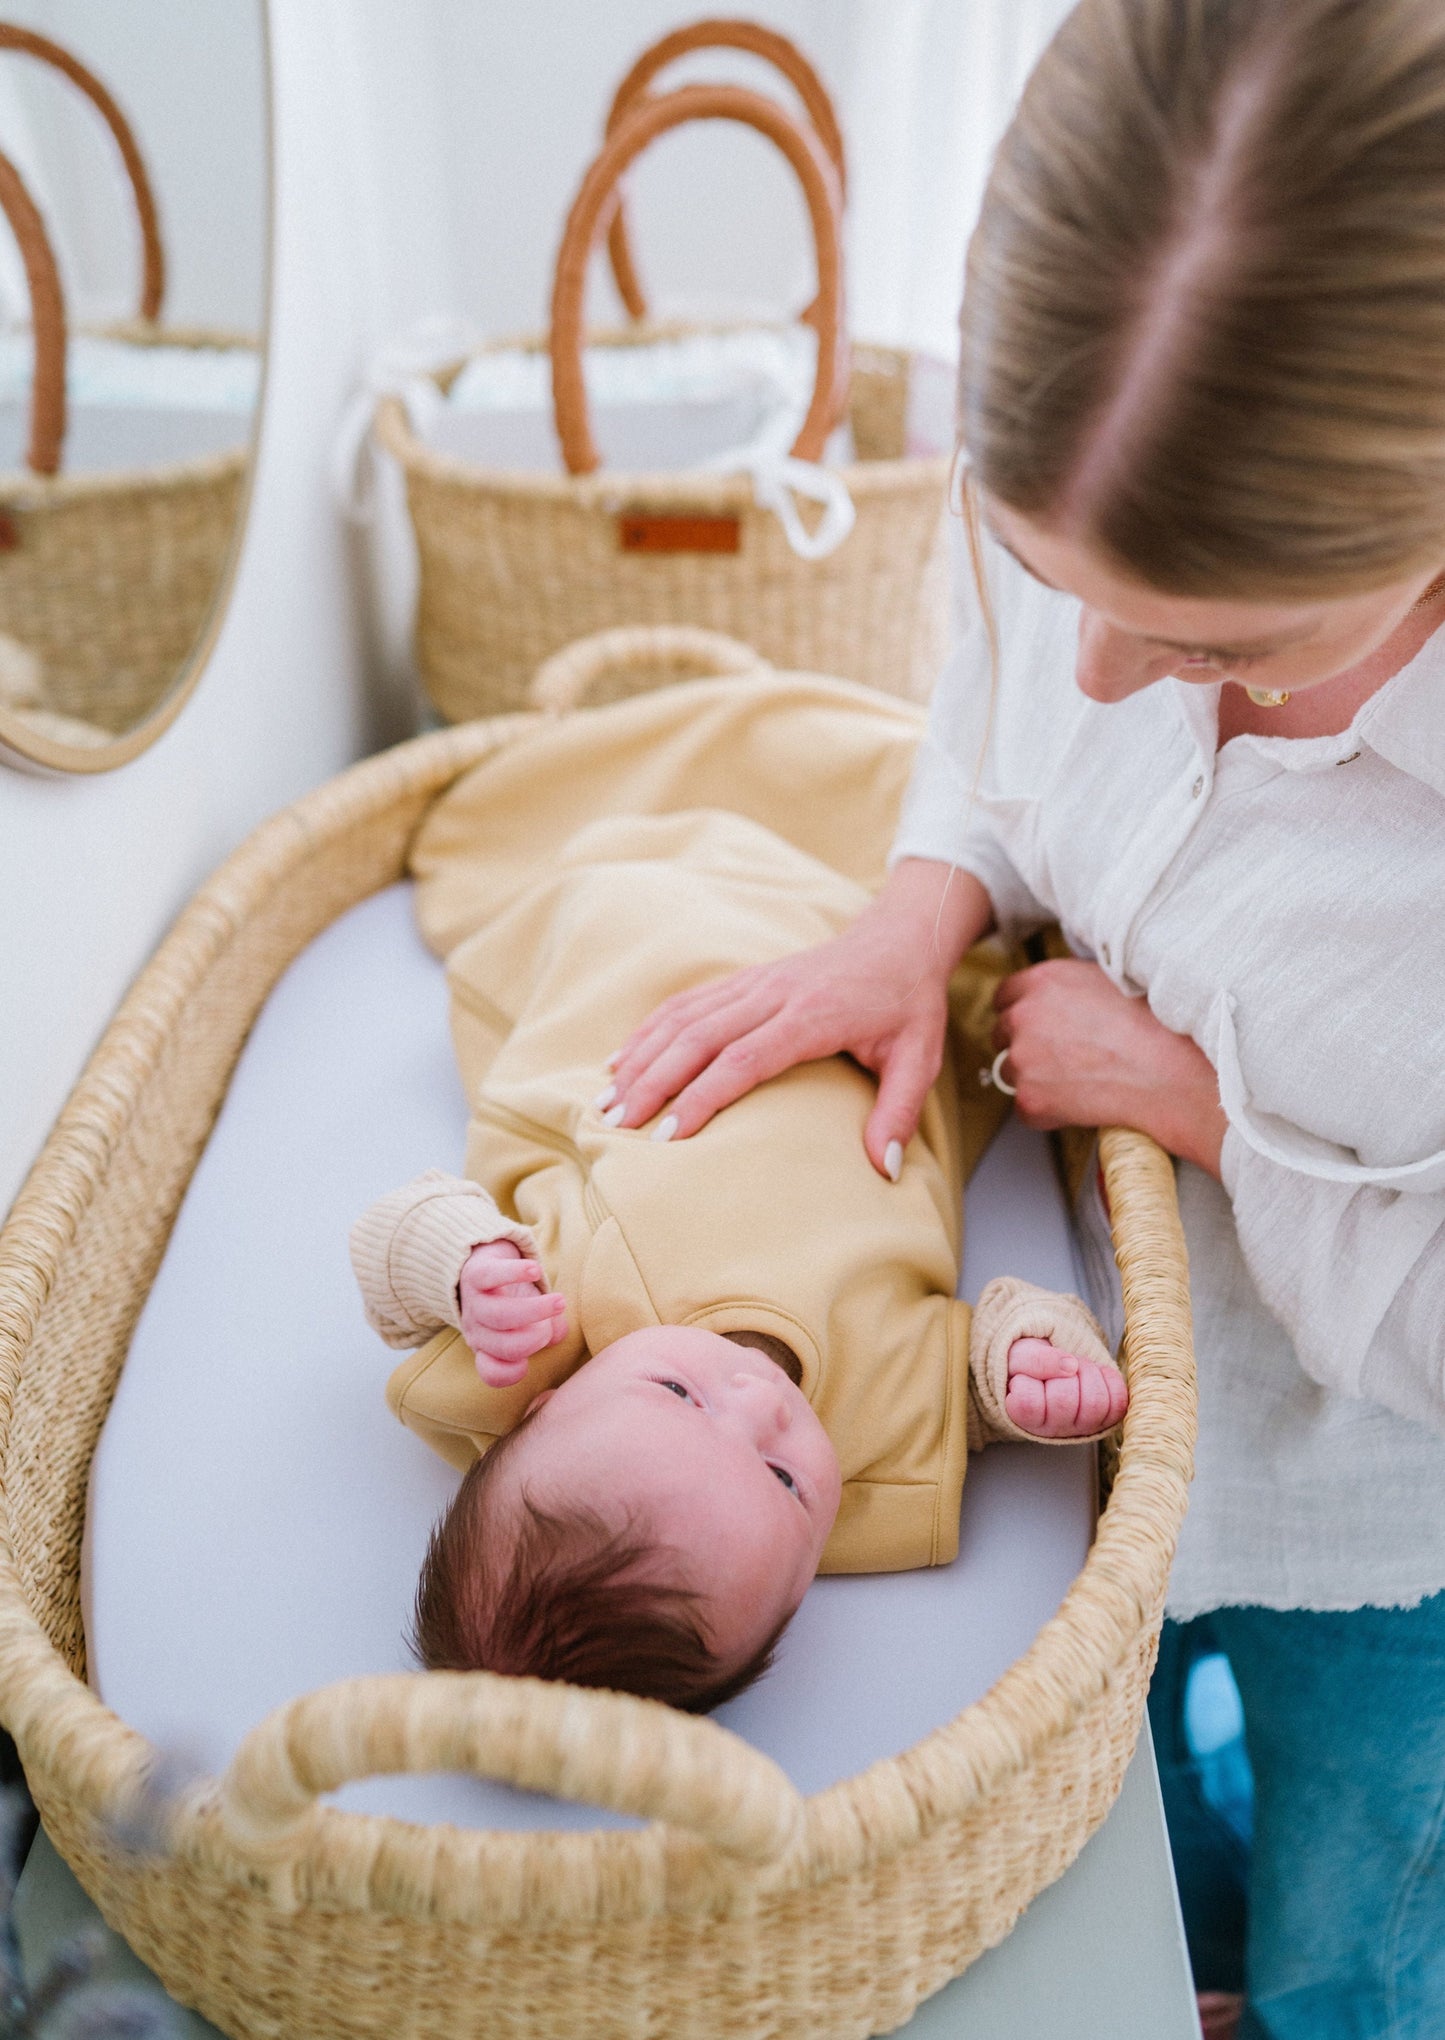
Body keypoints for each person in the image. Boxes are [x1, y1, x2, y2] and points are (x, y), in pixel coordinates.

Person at [603, 0, 1445, 2031]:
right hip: (1122, 1424)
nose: (1084, 678)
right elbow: (994, 738)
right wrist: (927, 896)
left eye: (1206, 649)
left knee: (1358, 1930)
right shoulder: (1074, 519)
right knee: (1146, 1851)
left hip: (1383, 1510)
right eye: (1032, 567)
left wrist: (1196, 1111)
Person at [350, 680, 1125, 1716]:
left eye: (677, 1396)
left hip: (665, 967)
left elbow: (390, 1233)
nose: (759, 1407)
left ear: (546, 1406)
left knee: (640, 894)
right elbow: (984, 1356)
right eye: (783, 1481)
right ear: (806, 1573)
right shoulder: (874, 1430)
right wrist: (1029, 1367)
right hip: (895, 1025)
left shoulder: (549, 1321)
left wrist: (461, 1267)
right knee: (981, 878)